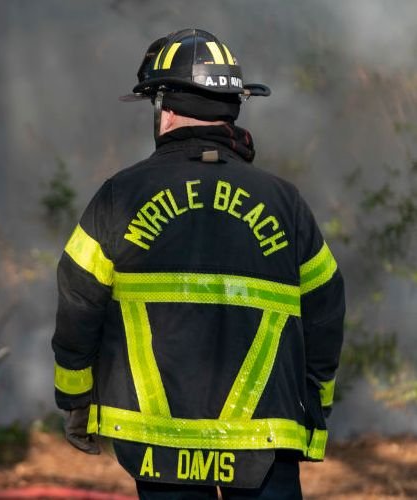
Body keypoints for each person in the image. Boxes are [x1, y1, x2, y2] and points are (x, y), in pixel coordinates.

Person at [52, 28, 345, 499]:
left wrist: (76, 399)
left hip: (159, 443)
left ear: (165, 109)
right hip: (266, 438)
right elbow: (326, 311)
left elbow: (77, 300)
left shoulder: (121, 196)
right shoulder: (285, 204)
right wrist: (315, 405)